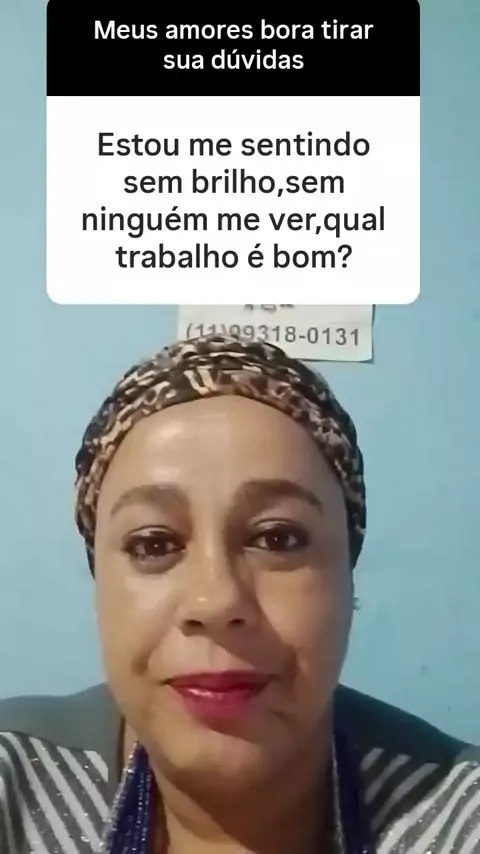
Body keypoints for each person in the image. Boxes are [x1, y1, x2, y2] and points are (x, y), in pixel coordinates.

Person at [0, 333, 479, 854]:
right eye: (154, 543)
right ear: (101, 585)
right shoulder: (18, 789)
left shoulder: (455, 817)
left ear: (347, 577)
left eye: (277, 539)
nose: (216, 601)